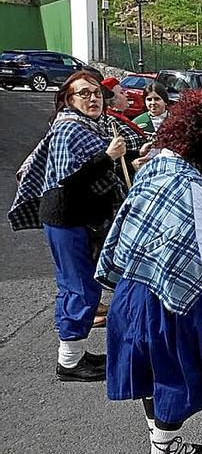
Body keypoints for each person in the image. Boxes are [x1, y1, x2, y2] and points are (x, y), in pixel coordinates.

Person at [97, 88, 202, 453]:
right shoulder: (189, 186)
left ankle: (161, 442)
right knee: (177, 374)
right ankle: (164, 448)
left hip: (135, 290)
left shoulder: (158, 166)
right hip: (169, 303)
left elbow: (184, 216)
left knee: (149, 372)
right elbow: (201, 257)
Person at [8, 71, 127, 382]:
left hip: (77, 219)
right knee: (82, 289)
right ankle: (70, 363)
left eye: (97, 93)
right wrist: (107, 156)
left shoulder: (90, 126)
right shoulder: (68, 129)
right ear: (69, 100)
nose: (93, 98)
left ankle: (73, 354)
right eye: (84, 94)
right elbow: (69, 179)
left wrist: (121, 160)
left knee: (76, 286)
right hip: (66, 218)